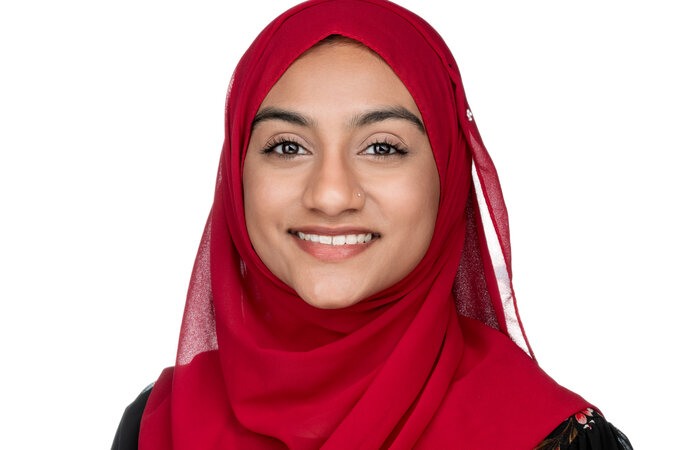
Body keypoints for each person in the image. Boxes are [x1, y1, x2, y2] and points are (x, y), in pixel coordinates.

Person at [113, 0, 632, 448]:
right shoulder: (158, 426)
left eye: (382, 148)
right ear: (236, 175)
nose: (331, 195)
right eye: (287, 147)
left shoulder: (550, 438)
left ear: (448, 176)